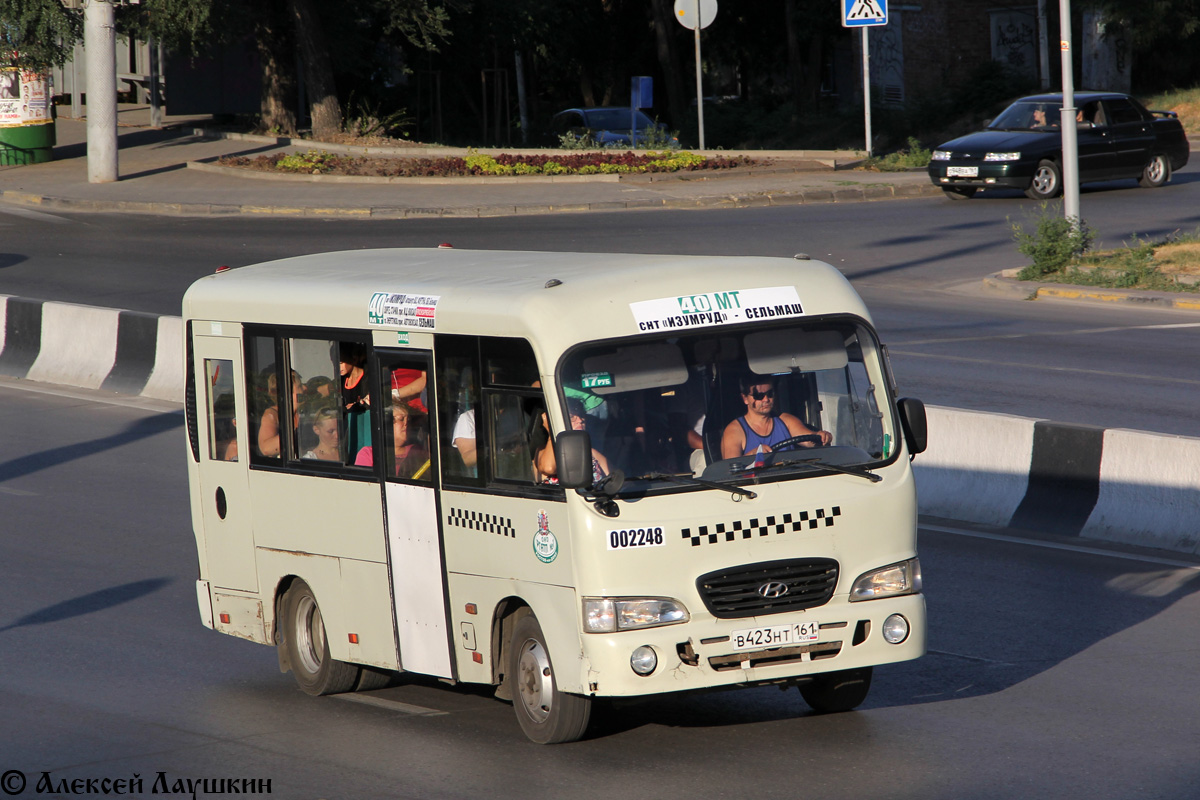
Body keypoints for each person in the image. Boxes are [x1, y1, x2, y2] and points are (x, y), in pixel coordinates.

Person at [720, 374, 831, 459]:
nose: (766, 399)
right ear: (745, 398)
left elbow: (809, 440)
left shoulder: (786, 421)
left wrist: (821, 436)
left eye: (770, 394)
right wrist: (753, 455)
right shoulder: (734, 430)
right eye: (759, 396)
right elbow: (730, 469)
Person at [534, 398, 608, 484]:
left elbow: (614, 478)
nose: (580, 420)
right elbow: (549, 468)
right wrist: (552, 432)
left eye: (581, 416)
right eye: (572, 417)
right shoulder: (541, 451)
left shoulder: (591, 452)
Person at [355, 400, 430, 479]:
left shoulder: (418, 451)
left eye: (408, 420)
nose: (406, 423)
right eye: (401, 419)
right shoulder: (368, 454)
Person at [258, 370, 301, 457]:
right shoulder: (272, 414)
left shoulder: (304, 411)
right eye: (300, 387)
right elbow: (266, 449)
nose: (304, 389)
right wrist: (291, 412)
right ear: (288, 393)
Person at [339, 342, 371, 455]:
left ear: (354, 359)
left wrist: (357, 406)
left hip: (364, 429)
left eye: (341, 363)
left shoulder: (368, 379)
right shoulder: (341, 380)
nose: (338, 368)